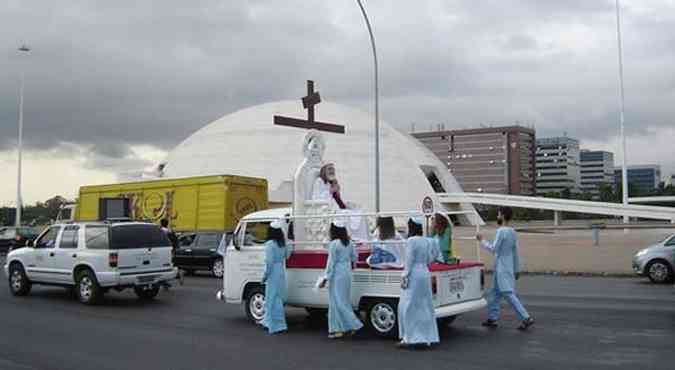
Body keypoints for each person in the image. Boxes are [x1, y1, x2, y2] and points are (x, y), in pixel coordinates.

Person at [477, 206, 534, 331]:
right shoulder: (512, 232)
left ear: (502, 216)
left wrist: (482, 241)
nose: (497, 217)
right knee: (495, 294)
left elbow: (494, 249)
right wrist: (516, 269)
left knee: (508, 293)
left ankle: (526, 317)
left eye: (498, 214)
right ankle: (493, 318)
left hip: (501, 268)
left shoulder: (501, 231)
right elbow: (515, 252)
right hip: (506, 267)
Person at [397, 217, 440, 349]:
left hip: (414, 274)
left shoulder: (411, 241)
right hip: (425, 273)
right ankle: (427, 336)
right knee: (425, 306)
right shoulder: (426, 241)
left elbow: (408, 262)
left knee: (408, 306)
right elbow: (430, 258)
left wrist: (404, 276)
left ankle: (409, 337)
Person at [319, 219, 363, 339]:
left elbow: (331, 263)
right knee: (344, 300)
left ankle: (350, 325)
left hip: (337, 273)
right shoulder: (349, 242)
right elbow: (355, 257)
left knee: (336, 301)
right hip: (347, 272)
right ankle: (344, 327)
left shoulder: (334, 244)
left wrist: (325, 278)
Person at [261, 220, 292, 334]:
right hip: (280, 270)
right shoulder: (282, 244)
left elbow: (269, 262)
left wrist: (264, 275)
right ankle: (269, 321)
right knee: (278, 297)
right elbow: (287, 256)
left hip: (273, 271)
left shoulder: (270, 244)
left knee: (271, 298)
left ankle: (275, 324)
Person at [160, 218, 183, 285]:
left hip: (163, 251)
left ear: (161, 223)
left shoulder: (161, 231)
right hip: (171, 250)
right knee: (170, 264)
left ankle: (176, 276)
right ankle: (167, 281)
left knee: (164, 266)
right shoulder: (170, 231)